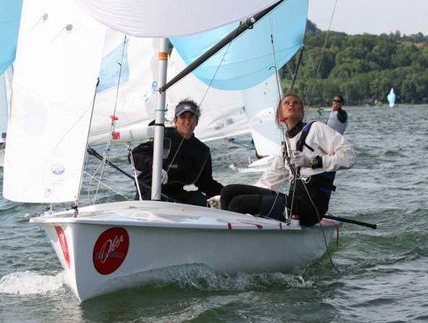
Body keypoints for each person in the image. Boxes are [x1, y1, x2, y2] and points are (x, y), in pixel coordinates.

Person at [217, 93, 355, 226]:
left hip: (311, 207)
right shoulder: (285, 147)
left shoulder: (316, 129)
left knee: (239, 203)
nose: (291, 105)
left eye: (295, 103)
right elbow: (270, 182)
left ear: (302, 113)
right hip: (294, 201)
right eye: (287, 103)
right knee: (228, 192)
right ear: (280, 116)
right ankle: (223, 228)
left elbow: (349, 157)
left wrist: (311, 162)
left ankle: (233, 238)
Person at [131, 99, 223, 206]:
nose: (187, 122)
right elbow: (135, 155)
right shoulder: (163, 137)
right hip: (148, 196)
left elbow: (206, 183)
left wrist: (227, 194)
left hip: (176, 197)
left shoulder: (202, 151)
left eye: (191, 117)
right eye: (183, 117)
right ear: (175, 120)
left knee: (205, 202)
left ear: (197, 121)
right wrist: (154, 165)